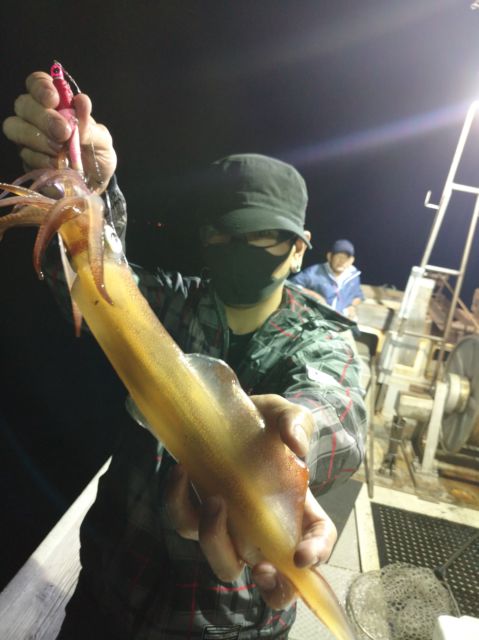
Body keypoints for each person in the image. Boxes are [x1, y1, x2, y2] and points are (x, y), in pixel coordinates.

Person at [3, 71, 366, 640]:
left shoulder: (322, 339)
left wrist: (299, 438)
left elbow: (337, 406)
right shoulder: (171, 298)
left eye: (261, 236)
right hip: (108, 593)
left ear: (299, 250)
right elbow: (98, 281)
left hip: (230, 625)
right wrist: (91, 191)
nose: (239, 247)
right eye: (223, 233)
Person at [291, 239, 364, 320]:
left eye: (346, 258)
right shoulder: (314, 272)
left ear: (351, 260)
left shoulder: (353, 276)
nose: (342, 261)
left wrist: (352, 306)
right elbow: (291, 285)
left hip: (342, 320)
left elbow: (358, 296)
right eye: (338, 256)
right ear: (329, 256)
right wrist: (314, 295)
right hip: (317, 319)